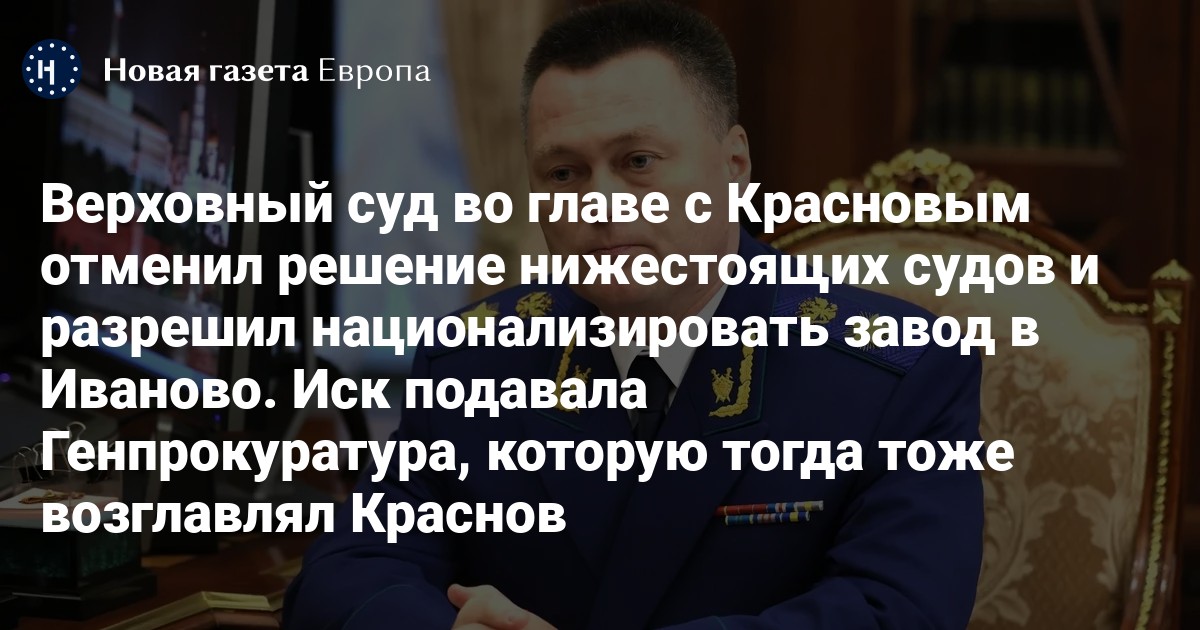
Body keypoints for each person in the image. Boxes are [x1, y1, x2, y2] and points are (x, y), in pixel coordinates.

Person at [283, 1, 983, 628]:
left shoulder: (894, 372)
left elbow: (896, 609)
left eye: (638, 161)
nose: (601, 203)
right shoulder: (474, 360)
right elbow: (346, 572)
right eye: (563, 173)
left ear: (734, 164)